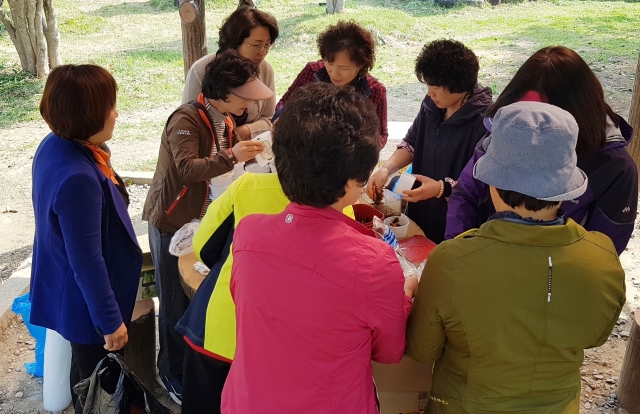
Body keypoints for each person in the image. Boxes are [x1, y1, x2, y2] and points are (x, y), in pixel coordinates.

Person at [406, 101, 626, 413]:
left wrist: (417, 292)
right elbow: (596, 336)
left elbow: (422, 350)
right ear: (566, 184)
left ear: (492, 182)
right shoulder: (602, 255)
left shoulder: (453, 260)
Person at [221, 83, 418, 413]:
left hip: (247, 402)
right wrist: (406, 295)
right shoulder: (372, 260)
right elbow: (388, 352)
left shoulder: (248, 233)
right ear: (349, 183)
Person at [142, 49, 272, 405]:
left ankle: (186, 365)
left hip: (200, 219)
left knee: (192, 300)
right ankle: (171, 372)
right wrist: (233, 155)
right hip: (172, 219)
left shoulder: (225, 119)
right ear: (225, 94)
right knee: (172, 301)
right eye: (246, 96)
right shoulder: (186, 118)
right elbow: (187, 168)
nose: (251, 103)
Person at [445, 46, 638, 254]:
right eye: (518, 114)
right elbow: (466, 193)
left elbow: (602, 253)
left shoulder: (615, 169)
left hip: (554, 279)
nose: (526, 127)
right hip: (485, 260)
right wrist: (460, 253)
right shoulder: (511, 127)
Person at [30, 64, 143, 413]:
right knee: (100, 389)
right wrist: (109, 321)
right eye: (110, 105)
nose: (116, 112)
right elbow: (87, 260)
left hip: (68, 290)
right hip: (89, 305)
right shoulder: (78, 177)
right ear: (89, 114)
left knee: (84, 374)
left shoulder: (56, 144)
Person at [365, 39, 492, 243]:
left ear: (457, 86)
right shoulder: (432, 105)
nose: (429, 93)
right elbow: (411, 143)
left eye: (435, 87)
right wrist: (386, 169)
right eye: (428, 86)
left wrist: (441, 189)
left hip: (458, 220)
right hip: (421, 206)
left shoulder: (484, 121)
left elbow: (482, 183)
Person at [273, 21, 389, 146]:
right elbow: (285, 102)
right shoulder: (312, 71)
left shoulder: (375, 90)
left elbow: (381, 135)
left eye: (343, 68)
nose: (334, 73)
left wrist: (361, 149)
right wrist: (284, 118)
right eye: (329, 62)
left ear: (361, 65)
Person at [182, 6, 278, 140]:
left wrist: (243, 131)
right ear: (235, 42)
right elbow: (187, 120)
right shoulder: (201, 70)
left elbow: (270, 118)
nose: (263, 52)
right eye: (256, 45)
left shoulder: (265, 70)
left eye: (267, 45)